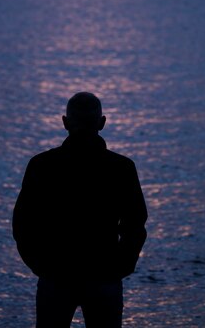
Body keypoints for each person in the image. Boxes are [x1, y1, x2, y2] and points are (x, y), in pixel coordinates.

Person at [12, 92, 148, 328]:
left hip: (56, 274)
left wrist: (41, 265)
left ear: (65, 122)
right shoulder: (121, 168)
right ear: (102, 123)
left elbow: (23, 224)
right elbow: (135, 224)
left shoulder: (42, 165)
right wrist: (121, 266)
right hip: (104, 273)